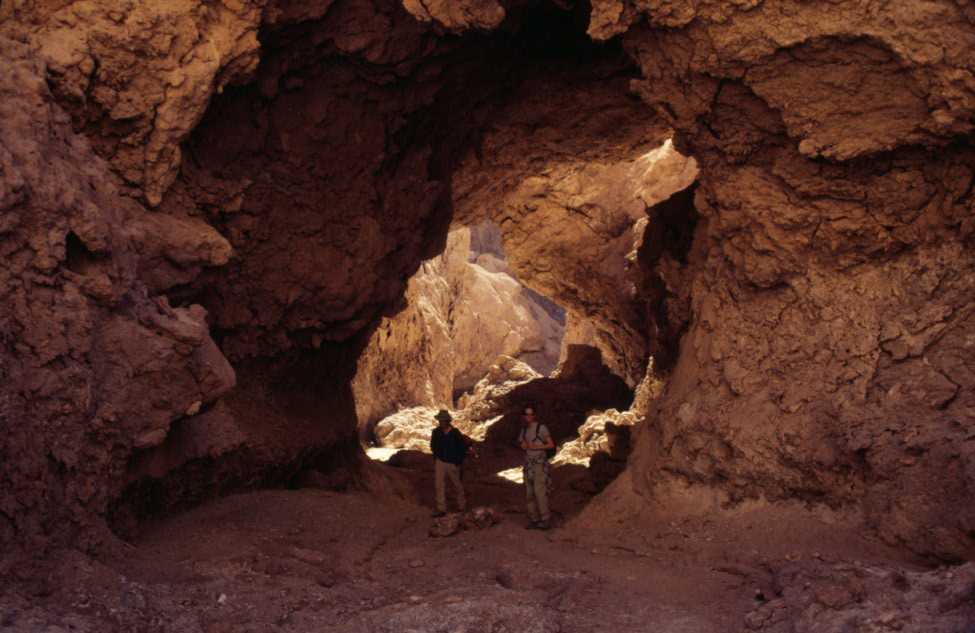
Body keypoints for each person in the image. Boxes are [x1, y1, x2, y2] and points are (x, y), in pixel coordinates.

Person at [430, 409, 473, 518]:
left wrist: (458, 461)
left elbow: (462, 448)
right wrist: (437, 456)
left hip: (452, 463)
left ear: (447, 421)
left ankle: (462, 506)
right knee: (439, 485)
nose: (440, 422)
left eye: (442, 420)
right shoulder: (436, 432)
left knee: (457, 484)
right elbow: (433, 446)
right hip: (440, 461)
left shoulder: (455, 433)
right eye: (439, 420)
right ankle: (441, 509)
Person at [517, 405, 555, 530]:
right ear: (523, 416)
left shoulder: (541, 428)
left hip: (539, 464)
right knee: (529, 492)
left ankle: (545, 519)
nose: (528, 417)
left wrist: (536, 447)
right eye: (526, 414)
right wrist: (523, 445)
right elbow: (521, 442)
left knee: (540, 492)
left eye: (531, 414)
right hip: (528, 464)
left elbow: (550, 445)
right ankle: (534, 519)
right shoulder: (524, 430)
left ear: (534, 416)